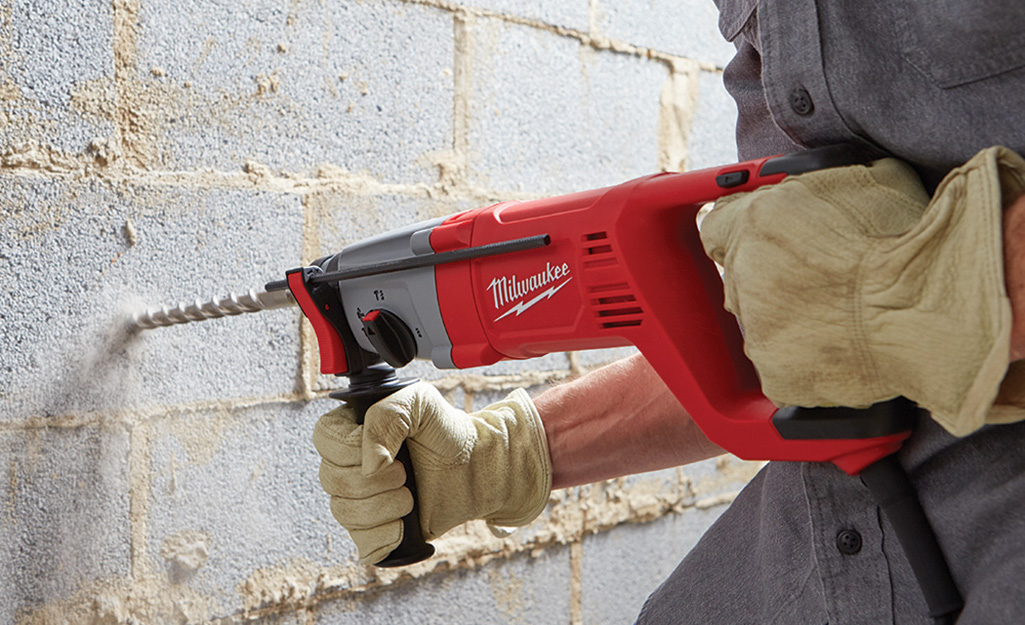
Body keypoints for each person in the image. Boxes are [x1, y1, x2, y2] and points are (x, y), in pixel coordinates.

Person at [312, 1, 1025, 622]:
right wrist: (505, 455)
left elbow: (859, 293)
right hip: (828, 551)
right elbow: (797, 321)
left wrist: (939, 282)